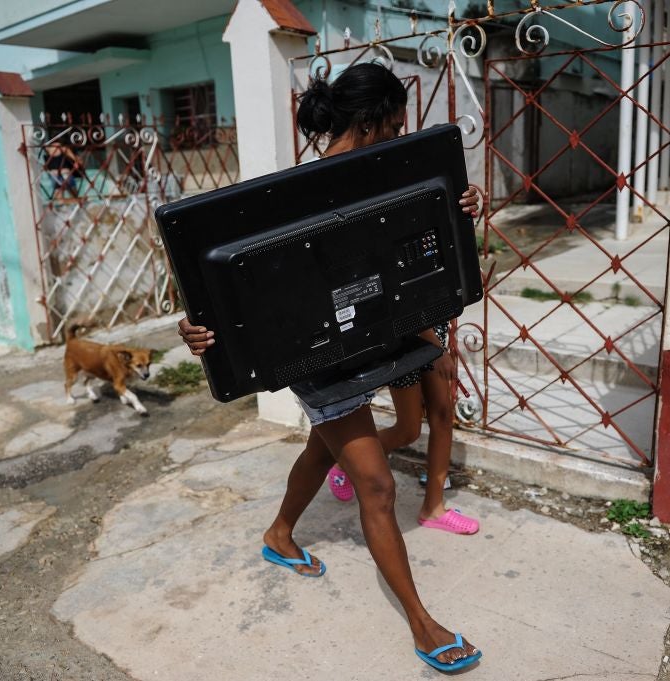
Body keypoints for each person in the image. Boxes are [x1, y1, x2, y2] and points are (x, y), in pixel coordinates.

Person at [179, 63, 482, 672]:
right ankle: (423, 625)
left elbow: (425, 246)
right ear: (368, 123)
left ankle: (279, 534)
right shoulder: (287, 193)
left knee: (326, 449)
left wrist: (462, 208)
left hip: (382, 335)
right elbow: (220, 272)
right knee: (376, 482)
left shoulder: (399, 174)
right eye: (394, 126)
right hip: (315, 353)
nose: (400, 137)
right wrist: (190, 324)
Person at [325, 318, 481, 535]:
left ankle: (433, 509)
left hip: (433, 327)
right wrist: (437, 349)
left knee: (443, 416)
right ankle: (344, 460)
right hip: (404, 335)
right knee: (408, 430)